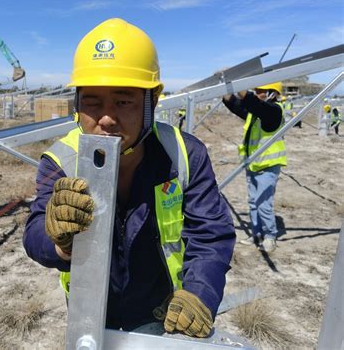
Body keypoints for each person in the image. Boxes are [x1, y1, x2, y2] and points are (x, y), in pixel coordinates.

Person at [23, 18, 235, 337]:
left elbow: (210, 233)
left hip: (159, 310)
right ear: (77, 105)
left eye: (124, 101)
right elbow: (35, 231)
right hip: (88, 310)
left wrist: (200, 294)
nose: (107, 118)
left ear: (152, 102)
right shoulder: (61, 160)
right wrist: (60, 243)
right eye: (92, 102)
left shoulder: (184, 154)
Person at [222, 82, 286, 253]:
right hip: (254, 163)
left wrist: (236, 81)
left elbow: (254, 103)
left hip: (268, 165)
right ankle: (256, 234)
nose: (257, 93)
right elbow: (236, 105)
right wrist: (226, 88)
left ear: (272, 94)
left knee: (264, 203)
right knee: (253, 202)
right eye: (256, 90)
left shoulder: (274, 112)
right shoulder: (256, 114)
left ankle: (270, 236)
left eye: (260, 91)